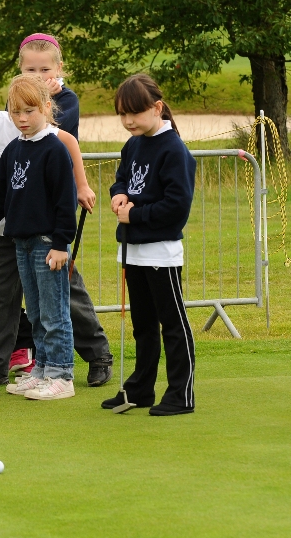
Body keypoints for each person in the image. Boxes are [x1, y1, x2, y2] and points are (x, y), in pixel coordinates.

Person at [0, 65, 97, 389]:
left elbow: (64, 203)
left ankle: (61, 375)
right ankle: (42, 371)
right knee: (35, 312)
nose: (21, 118)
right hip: (20, 242)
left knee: (54, 311)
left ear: (46, 108)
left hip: (48, 241)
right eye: (16, 111)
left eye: (29, 111)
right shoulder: (16, 148)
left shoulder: (54, 149)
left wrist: (61, 244)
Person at [16, 33, 114, 386]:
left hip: (53, 205)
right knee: (32, 291)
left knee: (64, 282)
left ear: (59, 69)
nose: (39, 75)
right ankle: (38, 362)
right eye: (31, 69)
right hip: (22, 206)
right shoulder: (19, 100)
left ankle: (97, 352)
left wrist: (84, 184)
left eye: (45, 69)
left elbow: (60, 134)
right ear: (20, 69)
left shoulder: (65, 100)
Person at [103, 74, 196, 416]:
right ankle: (140, 389)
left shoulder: (175, 150)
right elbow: (122, 179)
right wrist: (119, 195)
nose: (128, 121)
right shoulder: (134, 143)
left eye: (135, 113)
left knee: (173, 324)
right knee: (143, 324)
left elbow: (177, 207)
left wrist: (135, 216)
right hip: (132, 249)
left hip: (161, 251)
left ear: (157, 108)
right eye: (122, 115)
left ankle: (180, 395)